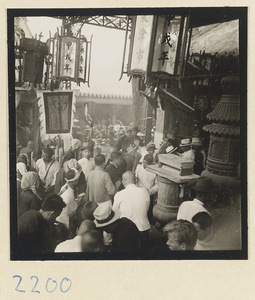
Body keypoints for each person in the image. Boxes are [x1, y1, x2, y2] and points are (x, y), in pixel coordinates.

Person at [113, 171, 151, 243]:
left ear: (123, 182)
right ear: (136, 180)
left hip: (126, 231)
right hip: (143, 228)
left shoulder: (119, 195)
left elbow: (115, 214)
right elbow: (146, 208)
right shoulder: (145, 192)